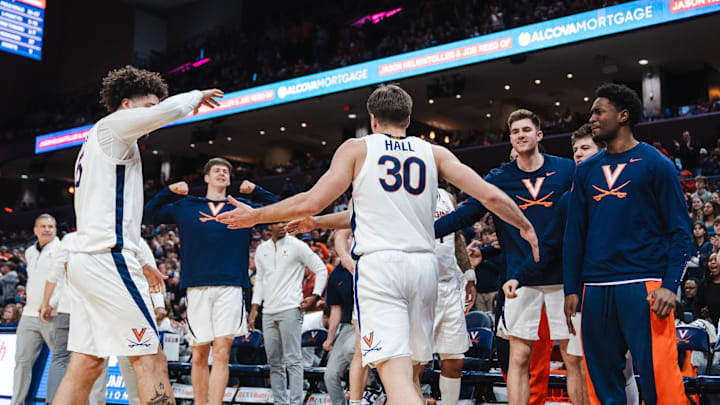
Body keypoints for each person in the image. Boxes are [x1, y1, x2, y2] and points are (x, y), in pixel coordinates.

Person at [217, 84, 538, 405]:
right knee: (411, 368)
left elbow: (311, 201)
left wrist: (255, 215)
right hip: (425, 270)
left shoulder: (358, 149)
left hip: (381, 268)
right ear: (409, 118)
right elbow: (490, 195)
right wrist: (525, 226)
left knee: (394, 373)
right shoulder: (433, 152)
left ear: (372, 119)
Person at [54, 65, 223, 405]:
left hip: (91, 261)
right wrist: (194, 97)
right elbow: (165, 112)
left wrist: (144, 260)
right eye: (148, 106)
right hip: (107, 261)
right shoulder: (113, 127)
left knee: (85, 364)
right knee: (150, 356)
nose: (152, 114)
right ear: (127, 104)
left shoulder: (102, 141)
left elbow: (122, 218)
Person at [435, 109, 576, 405]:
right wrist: (425, 230)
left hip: (563, 276)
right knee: (519, 359)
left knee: (572, 358)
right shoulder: (499, 178)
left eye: (526, 130)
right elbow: (465, 213)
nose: (521, 135)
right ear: (510, 139)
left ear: (539, 135)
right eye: (515, 132)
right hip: (518, 280)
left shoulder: (567, 169)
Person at [563, 83, 691, 405]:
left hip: (644, 286)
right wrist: (571, 288)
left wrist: (670, 286)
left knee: (660, 385)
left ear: (623, 115)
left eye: (598, 111)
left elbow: (681, 232)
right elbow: (574, 234)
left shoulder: (656, 163)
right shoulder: (586, 171)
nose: (591, 118)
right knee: (602, 387)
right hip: (595, 287)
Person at [504, 123, 640, 405]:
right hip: (584, 288)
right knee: (597, 363)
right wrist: (520, 275)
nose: (578, 154)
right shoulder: (569, 198)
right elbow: (550, 243)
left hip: (624, 283)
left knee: (624, 364)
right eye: (575, 149)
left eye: (585, 148)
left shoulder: (626, 187)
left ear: (602, 152)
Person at [143, 158, 277, 405]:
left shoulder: (243, 206)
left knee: (222, 352)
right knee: (199, 353)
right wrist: (168, 191)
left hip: (232, 285)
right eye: (216, 170)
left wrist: (256, 191)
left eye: (226, 171)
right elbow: (148, 214)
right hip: (196, 285)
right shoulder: (187, 206)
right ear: (206, 178)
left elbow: (278, 211)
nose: (222, 174)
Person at [250, 222, 328, 405]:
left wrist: (316, 296)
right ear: (269, 225)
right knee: (274, 362)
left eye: (284, 222)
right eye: (277, 222)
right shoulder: (262, 249)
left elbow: (321, 269)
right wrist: (254, 307)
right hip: (268, 311)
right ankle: (280, 402)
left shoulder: (298, 246)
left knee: (293, 359)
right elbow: (260, 280)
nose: (281, 226)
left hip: (291, 308)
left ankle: (295, 402)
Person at [12, 214, 61, 405]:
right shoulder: (30, 251)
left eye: (51, 226)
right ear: (35, 230)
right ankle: (17, 402)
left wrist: (51, 303)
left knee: (59, 363)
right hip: (29, 315)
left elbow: (64, 283)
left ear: (56, 230)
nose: (47, 229)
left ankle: (56, 401)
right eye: (43, 226)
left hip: (53, 315)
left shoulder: (62, 250)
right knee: (22, 362)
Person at [322, 231, 356, 405]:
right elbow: (335, 309)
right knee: (330, 376)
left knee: (351, 349)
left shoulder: (368, 263)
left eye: (347, 238)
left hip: (370, 324)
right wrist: (329, 338)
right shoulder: (336, 274)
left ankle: (373, 385)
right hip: (348, 326)